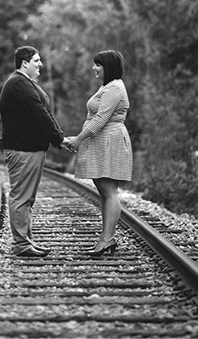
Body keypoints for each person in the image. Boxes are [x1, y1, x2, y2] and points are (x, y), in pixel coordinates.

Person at [0, 46, 71, 257]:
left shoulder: (23, 83)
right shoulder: (19, 83)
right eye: (37, 60)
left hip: (30, 149)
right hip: (23, 150)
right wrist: (59, 139)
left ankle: (26, 240)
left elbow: (43, 112)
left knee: (27, 197)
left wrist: (58, 137)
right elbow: (39, 113)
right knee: (21, 196)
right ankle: (21, 244)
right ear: (25, 63)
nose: (40, 64)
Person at [65, 50, 133, 257]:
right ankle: (105, 238)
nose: (94, 68)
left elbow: (100, 119)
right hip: (102, 140)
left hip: (109, 141)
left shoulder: (114, 88)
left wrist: (78, 139)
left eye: (98, 65)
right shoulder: (107, 87)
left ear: (108, 67)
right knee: (104, 191)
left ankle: (107, 239)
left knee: (109, 191)